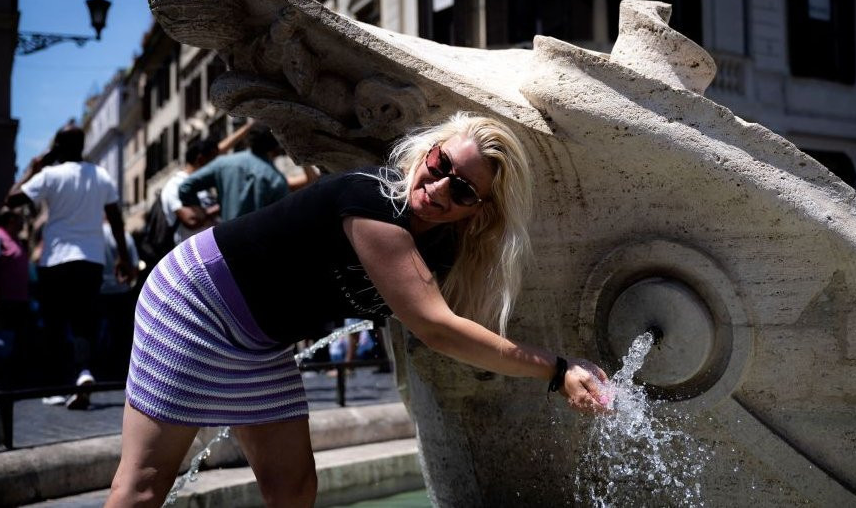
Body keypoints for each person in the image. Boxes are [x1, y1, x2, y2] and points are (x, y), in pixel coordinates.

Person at [105, 112, 609, 507]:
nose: (435, 189)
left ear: (481, 210)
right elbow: (438, 329)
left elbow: (461, 327)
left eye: (460, 189)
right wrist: (555, 368)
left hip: (260, 344)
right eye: (439, 165)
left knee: (293, 490)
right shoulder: (375, 204)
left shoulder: (438, 248)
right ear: (427, 152)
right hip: (195, 303)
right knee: (144, 487)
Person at [6, 123, 132, 408]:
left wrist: (34, 168)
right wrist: (123, 258)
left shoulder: (50, 175)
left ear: (57, 148)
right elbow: (116, 219)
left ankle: (57, 386)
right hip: (90, 260)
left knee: (54, 324)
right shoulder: (101, 175)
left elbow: (11, 200)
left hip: (55, 260)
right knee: (85, 322)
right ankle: (83, 372)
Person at [177, 124, 289, 221]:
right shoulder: (277, 179)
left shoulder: (223, 163)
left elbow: (186, 187)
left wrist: (202, 212)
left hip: (225, 238)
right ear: (275, 147)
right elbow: (283, 218)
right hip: (259, 242)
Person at [0, 207, 32, 386]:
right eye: (19, 218)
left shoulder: (16, 239)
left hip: (20, 300)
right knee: (2, 341)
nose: (23, 221)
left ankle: (14, 378)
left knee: (18, 342)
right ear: (11, 219)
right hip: (5, 301)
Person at [97, 221, 140, 380]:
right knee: (121, 333)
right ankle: (118, 369)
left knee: (100, 331)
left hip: (99, 289)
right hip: (121, 290)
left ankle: (101, 368)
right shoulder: (125, 236)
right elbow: (134, 264)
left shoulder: (95, 233)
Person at [160, 138, 221, 244]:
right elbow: (191, 219)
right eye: (213, 161)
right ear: (201, 159)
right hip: (193, 253)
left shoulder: (205, 184)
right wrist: (220, 207)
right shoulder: (175, 184)